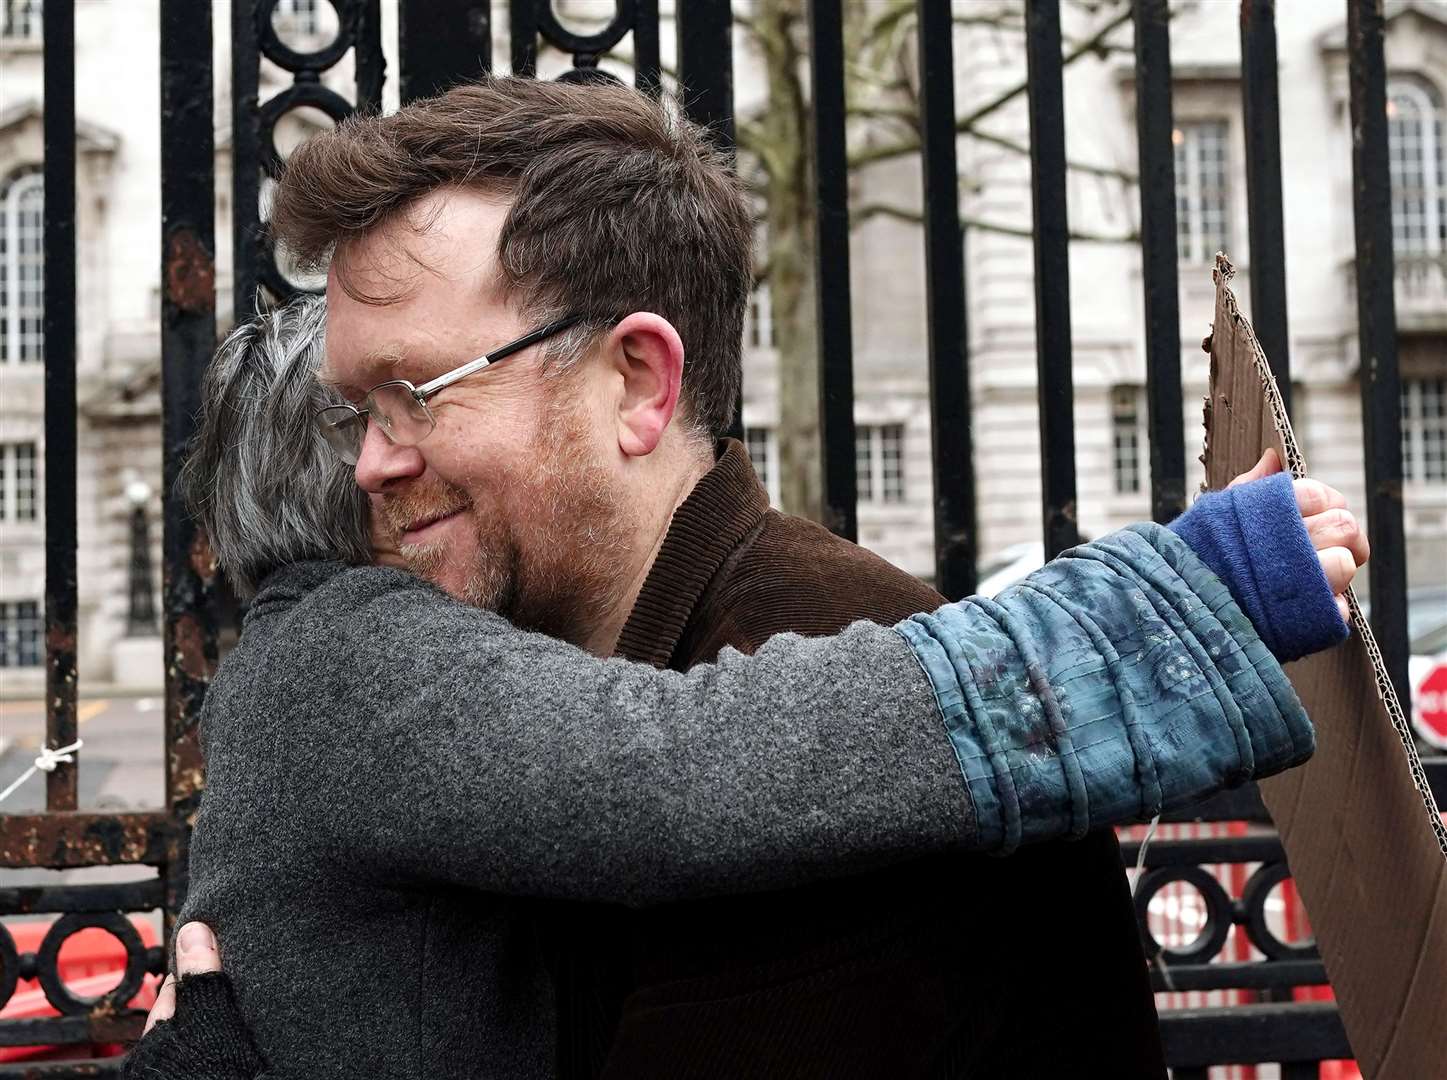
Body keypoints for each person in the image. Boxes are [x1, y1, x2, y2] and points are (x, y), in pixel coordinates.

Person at [127, 77, 1366, 1080]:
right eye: (355, 410)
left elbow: (680, 769)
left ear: (638, 385)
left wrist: (1173, 605)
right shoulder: (521, 672)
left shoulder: (833, 689)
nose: (371, 464)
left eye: (416, 394)